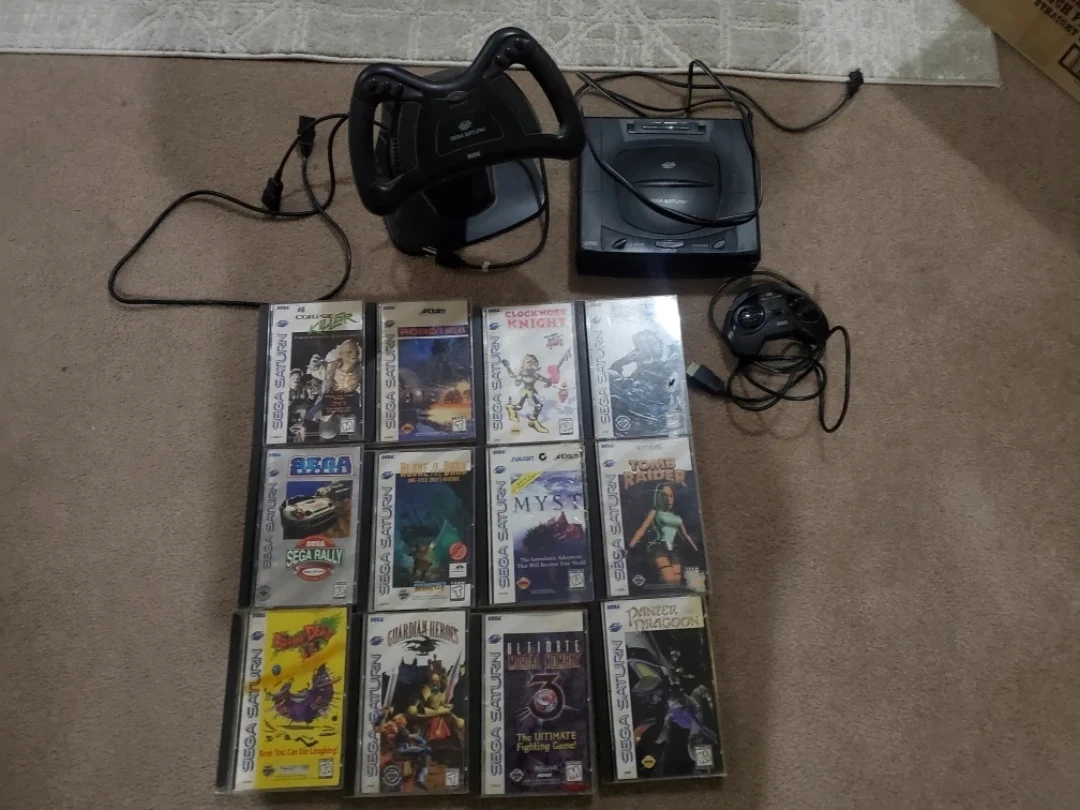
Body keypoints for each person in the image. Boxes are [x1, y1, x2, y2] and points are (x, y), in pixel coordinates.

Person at [627, 482, 699, 587]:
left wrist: (696, 550)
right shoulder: (655, 512)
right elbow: (642, 529)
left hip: (673, 549)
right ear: (659, 497)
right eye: (665, 496)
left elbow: (685, 535)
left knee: (677, 583)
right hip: (659, 548)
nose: (669, 499)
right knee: (671, 580)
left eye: (671, 496)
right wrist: (629, 547)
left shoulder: (676, 516)